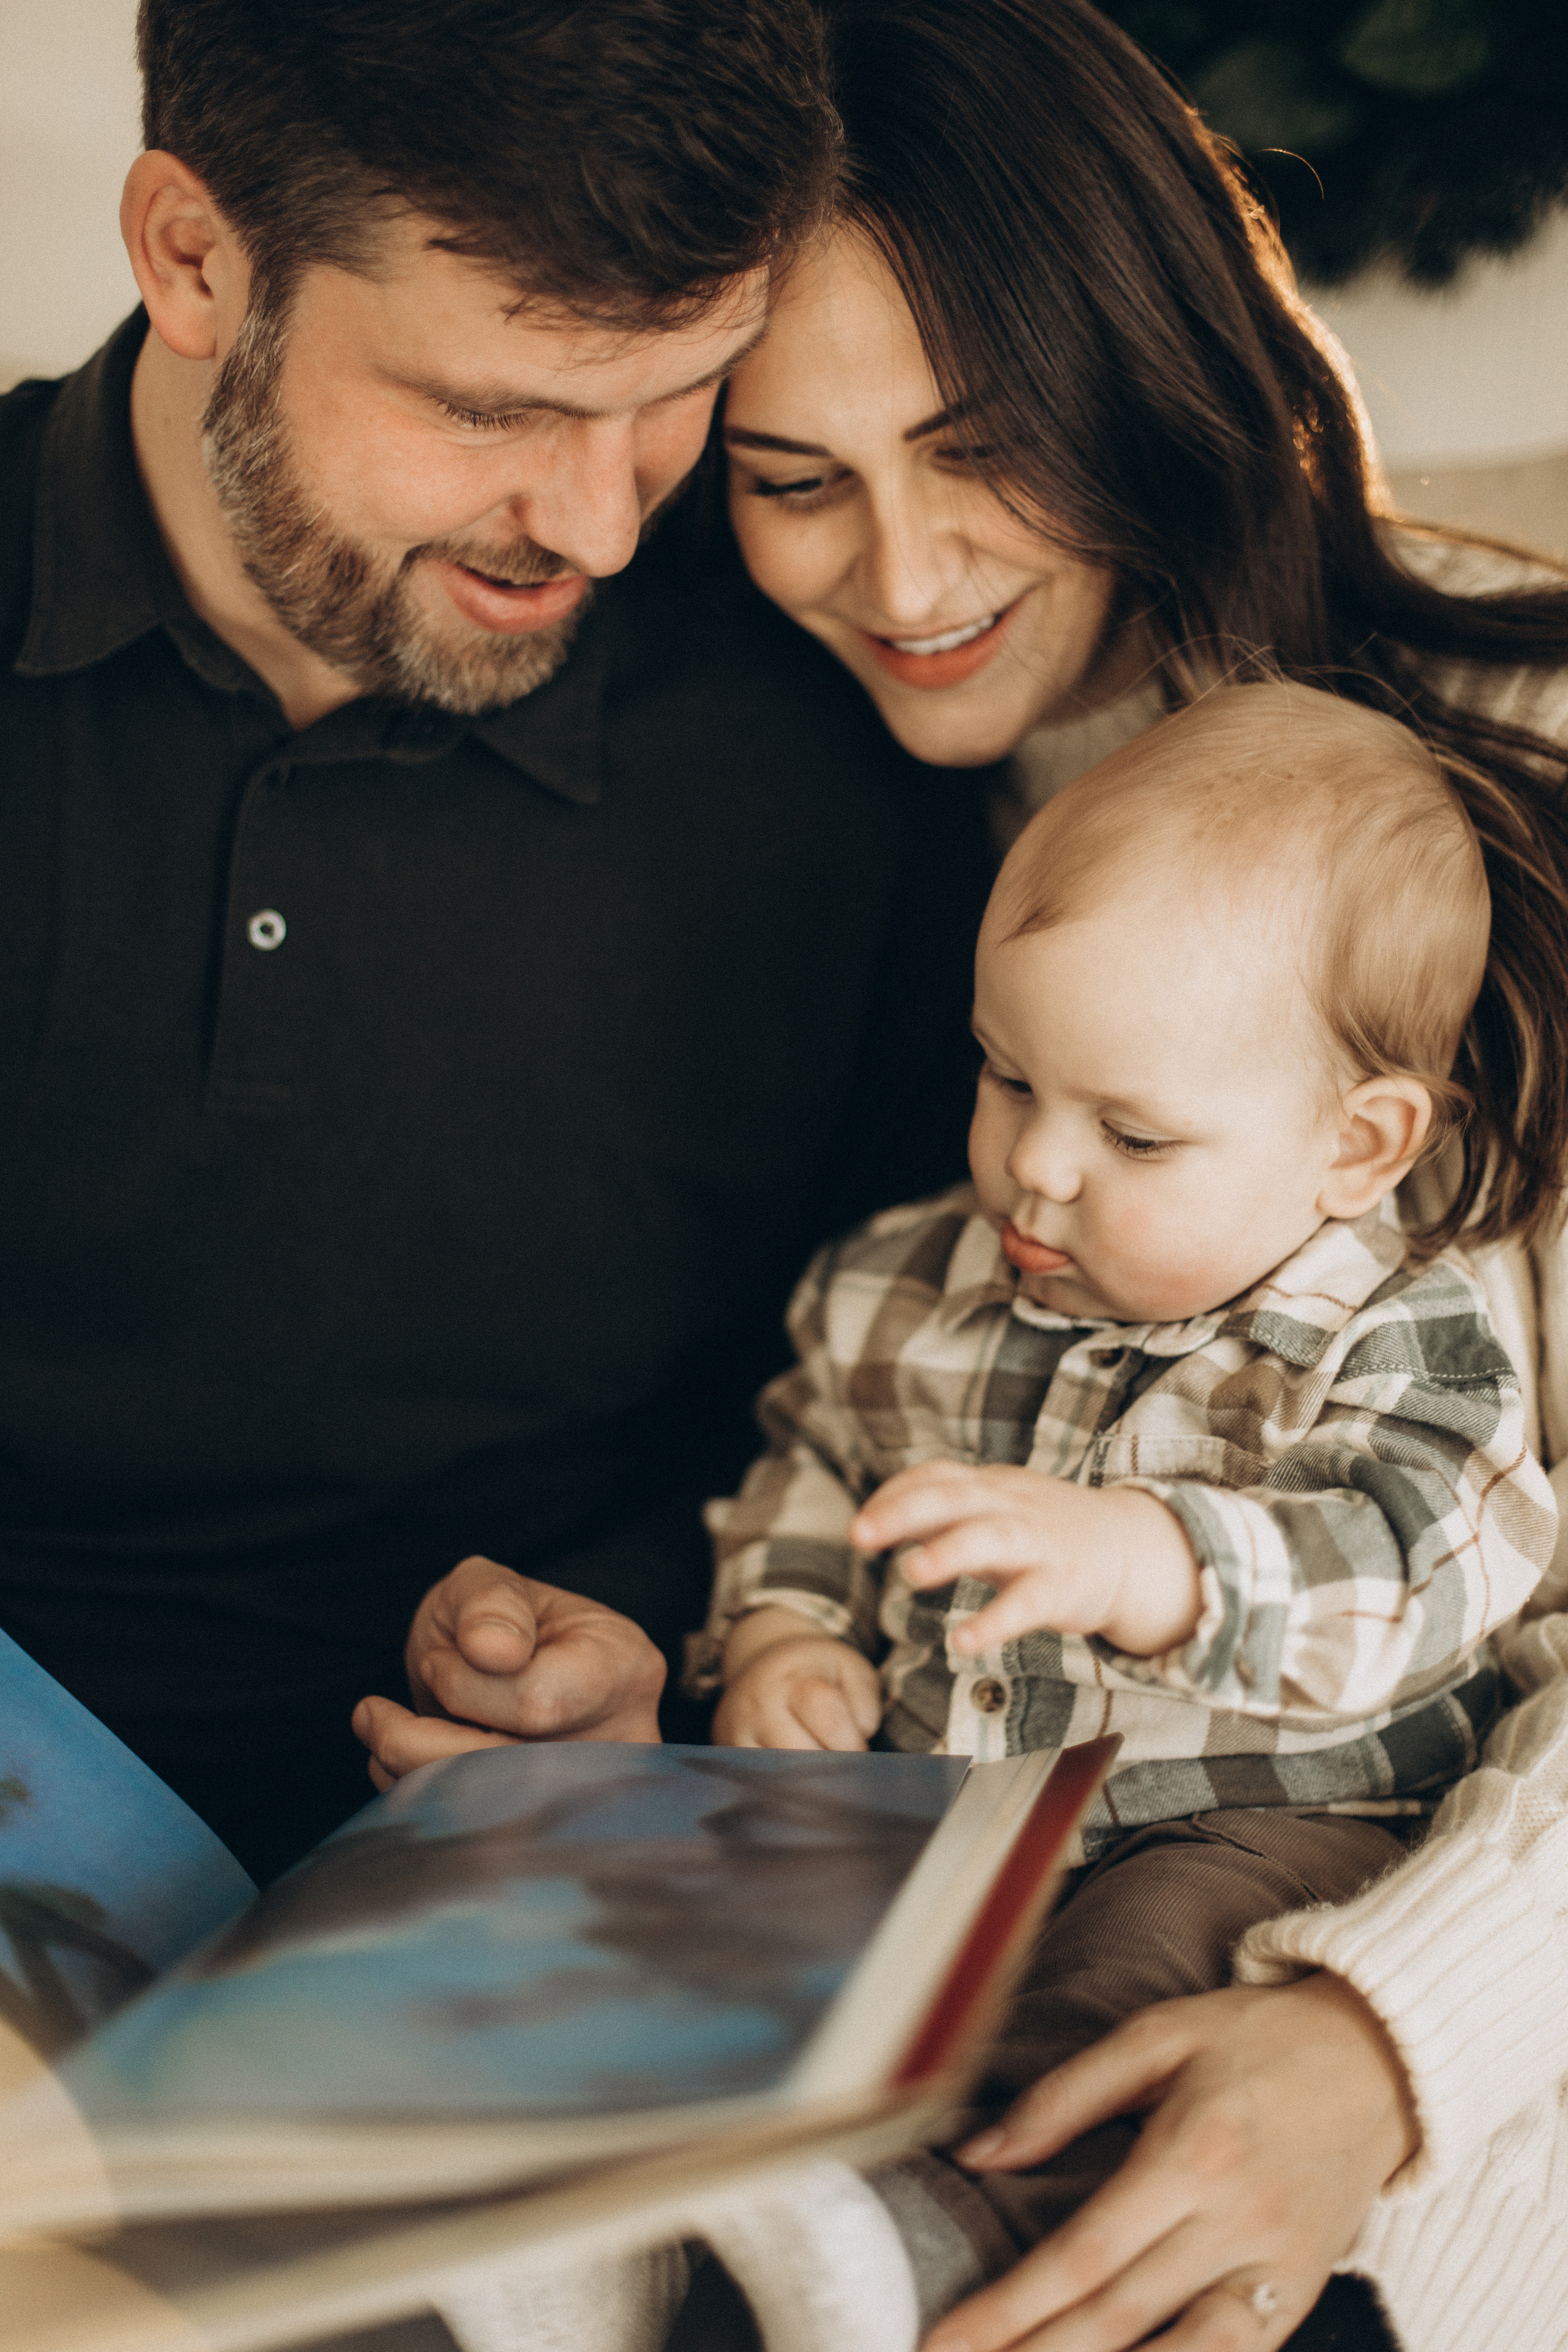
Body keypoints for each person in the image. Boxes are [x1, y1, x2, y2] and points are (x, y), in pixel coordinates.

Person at [407, 4, 1568, 2348]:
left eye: (986, 446)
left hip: (1407, 1988)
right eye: (789, 473)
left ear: (1150, 371)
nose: (901, 572)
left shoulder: (1506, 793)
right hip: (928, 1887)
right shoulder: (788, 827)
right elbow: (853, 1425)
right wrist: (716, 1677)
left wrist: (1387, 2036)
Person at [0, 0, 993, 1886]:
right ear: (194, 258)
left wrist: (652, 1638)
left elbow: (889, 1381)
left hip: (530, 1894)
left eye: (678, 392)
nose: (602, 528)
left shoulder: (837, 742)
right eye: (497, 409)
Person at [697, 671, 1560, 2294]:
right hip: (947, 1817)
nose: (1036, 1163)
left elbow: (1416, 1571)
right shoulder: (909, 1282)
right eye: (1009, 1077)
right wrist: (780, 1632)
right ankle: (643, 2230)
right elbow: (810, 1462)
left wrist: (1151, 1560)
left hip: (1252, 1826)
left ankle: (941, 2249)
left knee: (1135, 2004)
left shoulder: (1406, 1330)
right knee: (736, 1942)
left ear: (1358, 1144)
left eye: (1135, 1135)